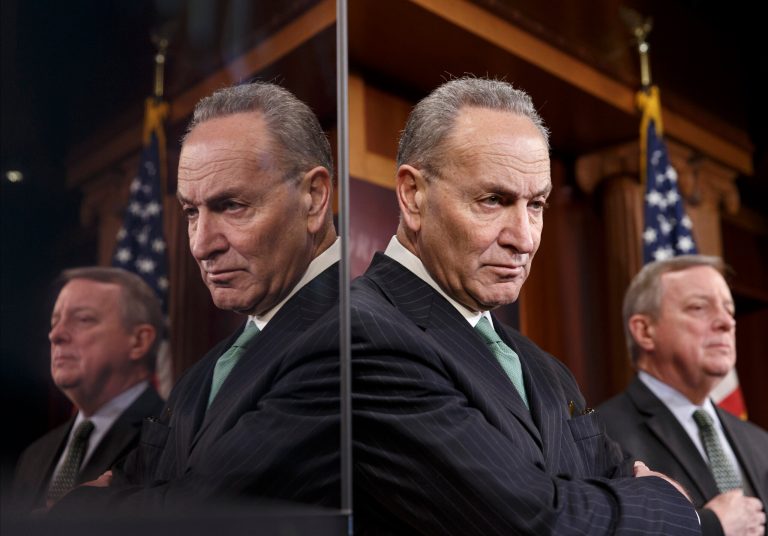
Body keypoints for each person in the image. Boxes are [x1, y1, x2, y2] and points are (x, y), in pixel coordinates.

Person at [349, 77, 701, 535]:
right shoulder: (361, 332)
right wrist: (673, 507)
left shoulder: (545, 368)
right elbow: (531, 522)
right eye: (494, 200)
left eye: (536, 204)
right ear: (413, 196)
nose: (525, 238)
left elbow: (608, 478)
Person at [54, 81, 340, 511]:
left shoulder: (355, 333)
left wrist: (77, 509)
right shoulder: (207, 369)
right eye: (191, 212)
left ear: (314, 198)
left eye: (231, 206)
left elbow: (203, 511)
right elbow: (140, 476)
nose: (201, 245)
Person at [599, 255, 767, 536]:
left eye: (729, 309)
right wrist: (710, 526)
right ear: (644, 331)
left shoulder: (760, 442)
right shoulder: (601, 435)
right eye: (699, 307)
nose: (727, 322)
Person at [11, 267, 165, 511]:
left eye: (83, 319)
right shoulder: (35, 455)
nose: (56, 334)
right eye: (55, 321)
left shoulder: (171, 436)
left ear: (139, 341)